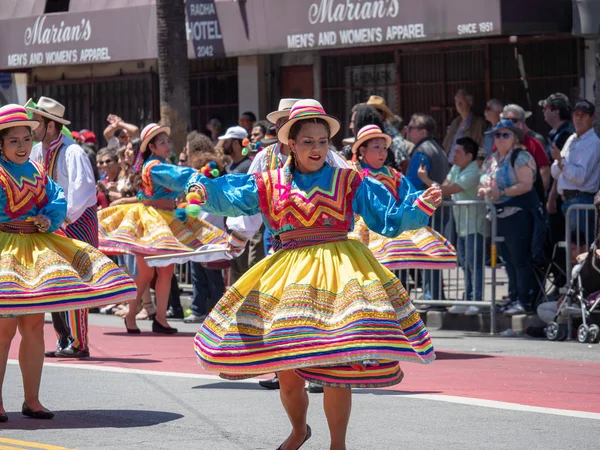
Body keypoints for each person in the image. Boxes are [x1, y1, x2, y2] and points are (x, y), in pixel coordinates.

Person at [185, 99, 442, 449]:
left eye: (322, 141)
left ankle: (338, 445)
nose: (317, 148)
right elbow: (233, 195)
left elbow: (388, 219)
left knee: (336, 369)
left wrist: (419, 207)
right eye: (308, 141)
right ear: (291, 142)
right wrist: (202, 189)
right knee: (287, 372)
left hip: (339, 274)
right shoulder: (269, 180)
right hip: (288, 274)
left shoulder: (349, 179)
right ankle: (298, 430)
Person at [0, 104, 136, 421]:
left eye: (25, 139)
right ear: (1, 144)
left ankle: (31, 400)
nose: (22, 146)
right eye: (14, 141)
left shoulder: (35, 171)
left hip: (34, 250)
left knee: (34, 326)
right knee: (3, 329)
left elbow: (57, 197)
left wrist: (49, 218)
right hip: (5, 251)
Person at [225, 99, 348, 392]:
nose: (284, 127)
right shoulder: (265, 160)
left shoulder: (330, 159)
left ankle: (320, 367)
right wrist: (239, 236)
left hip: (326, 248)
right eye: (284, 123)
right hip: (284, 245)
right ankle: (282, 367)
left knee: (320, 308)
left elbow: (350, 189)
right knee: (285, 310)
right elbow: (252, 197)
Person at [97, 123, 230, 335]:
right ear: (152, 147)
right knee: (146, 274)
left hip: (166, 218)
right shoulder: (154, 166)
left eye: (168, 141)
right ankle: (131, 315)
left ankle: (160, 318)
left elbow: (168, 182)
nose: (168, 145)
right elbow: (176, 175)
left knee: (166, 271)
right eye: (162, 142)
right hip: (151, 221)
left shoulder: (160, 164)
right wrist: (195, 172)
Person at [27, 97, 99, 359]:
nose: (32, 127)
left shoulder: (73, 151)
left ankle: (79, 342)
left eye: (37, 122)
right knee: (53, 280)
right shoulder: (37, 151)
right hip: (51, 222)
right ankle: (63, 338)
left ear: (51, 125)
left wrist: (60, 219)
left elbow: (83, 191)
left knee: (75, 281)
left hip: (76, 222)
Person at [420, 137, 488, 315]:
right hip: (462, 225)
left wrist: (425, 179)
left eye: (458, 152)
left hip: (475, 224)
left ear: (469, 155)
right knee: (465, 263)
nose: (454, 156)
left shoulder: (473, 172)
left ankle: (477, 300)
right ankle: (468, 297)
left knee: (475, 264)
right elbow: (444, 186)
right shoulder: (457, 168)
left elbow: (447, 190)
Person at [349, 124, 431, 268]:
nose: (382, 153)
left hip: (390, 229)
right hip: (364, 229)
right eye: (376, 147)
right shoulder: (353, 172)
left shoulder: (393, 174)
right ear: (362, 150)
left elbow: (409, 195)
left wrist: (423, 200)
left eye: (384, 148)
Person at [479, 119, 539, 315]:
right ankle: (513, 297)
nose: (501, 138)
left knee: (520, 258)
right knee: (507, 259)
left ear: (514, 138)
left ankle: (524, 299)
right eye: (497, 135)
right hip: (498, 216)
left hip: (518, 214)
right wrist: (483, 190)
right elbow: (484, 181)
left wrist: (501, 192)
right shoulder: (491, 159)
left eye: (506, 134)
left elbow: (526, 184)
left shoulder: (521, 157)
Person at [183, 132, 226, 324]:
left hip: (210, 227)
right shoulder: (197, 171)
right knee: (198, 273)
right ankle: (199, 309)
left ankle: (217, 311)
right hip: (199, 226)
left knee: (212, 274)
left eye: (187, 148)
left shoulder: (209, 171)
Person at [550, 100, 600, 245]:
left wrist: (561, 161)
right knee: (573, 251)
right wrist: (560, 163)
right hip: (568, 202)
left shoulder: (593, 143)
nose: (578, 118)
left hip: (581, 201)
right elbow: (554, 172)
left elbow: (579, 178)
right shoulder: (571, 139)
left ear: (593, 118)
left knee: (580, 250)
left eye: (583, 115)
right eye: (576, 114)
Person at [501, 104, 551, 192]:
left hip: (529, 197)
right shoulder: (499, 142)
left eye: (514, 120)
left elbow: (544, 170)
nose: (510, 123)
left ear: (522, 122)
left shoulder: (533, 142)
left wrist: (541, 196)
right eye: (506, 120)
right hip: (504, 198)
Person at [366, 96, 412, 172]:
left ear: (383, 114)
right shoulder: (368, 129)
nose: (371, 114)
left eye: (377, 111)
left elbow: (404, 161)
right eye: (369, 111)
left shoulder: (391, 133)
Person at [443, 89, 487, 164]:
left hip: (466, 166)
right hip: (449, 164)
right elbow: (446, 144)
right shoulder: (455, 122)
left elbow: (481, 145)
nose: (458, 104)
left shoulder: (478, 122)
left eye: (461, 102)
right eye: (456, 102)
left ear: (469, 103)